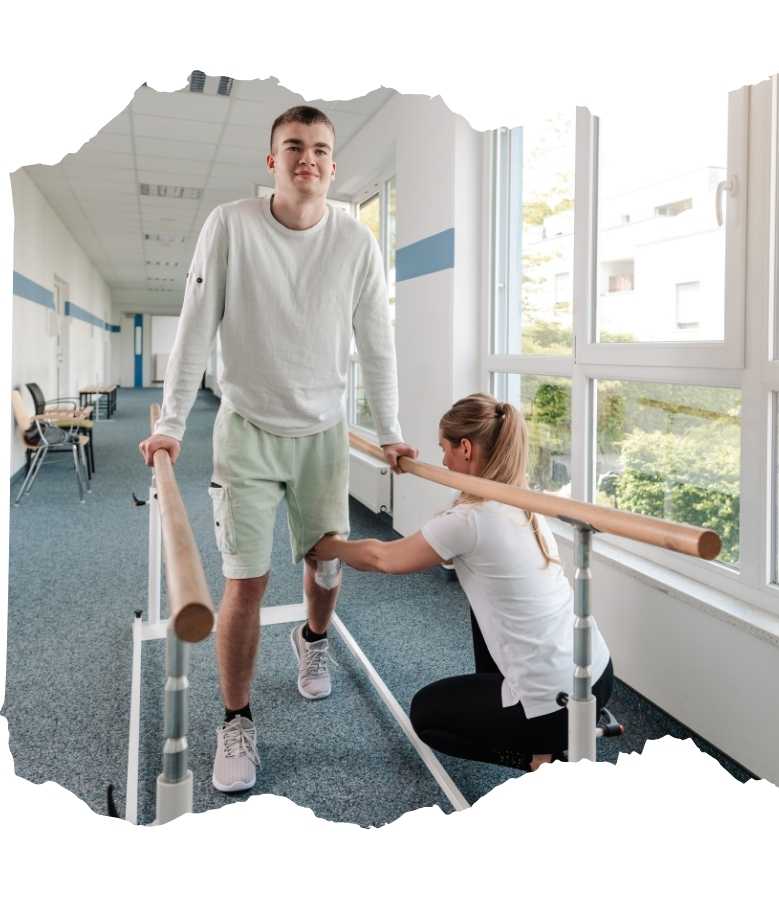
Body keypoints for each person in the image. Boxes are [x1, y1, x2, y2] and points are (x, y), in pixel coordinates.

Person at [138, 105, 416, 793]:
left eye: (321, 149)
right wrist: (171, 423)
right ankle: (236, 718)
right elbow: (197, 326)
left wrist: (388, 430)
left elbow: (376, 343)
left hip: (322, 434)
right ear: (272, 161)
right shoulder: (231, 226)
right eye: (294, 147)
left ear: (332, 164)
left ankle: (313, 643)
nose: (308, 160)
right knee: (247, 583)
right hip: (249, 431)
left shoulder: (355, 242)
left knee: (325, 567)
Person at [312, 393, 613, 772]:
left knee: (427, 715)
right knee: (482, 603)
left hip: (555, 703)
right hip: (597, 674)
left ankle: (542, 759)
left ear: (466, 448)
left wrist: (329, 546)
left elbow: (383, 559)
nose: (441, 461)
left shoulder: (469, 521)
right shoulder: (518, 498)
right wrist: (398, 459)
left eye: (444, 449)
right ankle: (535, 730)